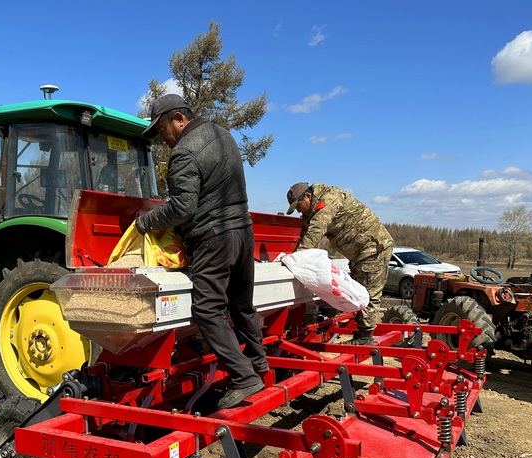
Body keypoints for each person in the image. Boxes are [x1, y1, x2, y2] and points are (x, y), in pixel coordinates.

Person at [136, 94, 268, 408]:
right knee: (241, 304)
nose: (161, 137)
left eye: (162, 129)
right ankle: (259, 364)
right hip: (243, 232)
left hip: (214, 239)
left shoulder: (184, 152)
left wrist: (146, 223)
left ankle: (244, 377)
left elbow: (183, 206)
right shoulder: (224, 135)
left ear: (178, 118)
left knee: (207, 310)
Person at [286, 182, 393, 345]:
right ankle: (362, 332)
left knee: (368, 292)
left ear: (307, 196)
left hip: (373, 249)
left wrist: (293, 260)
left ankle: (365, 337)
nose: (298, 211)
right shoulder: (311, 211)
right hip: (359, 253)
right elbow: (304, 237)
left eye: (298, 206)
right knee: (358, 291)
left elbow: (315, 232)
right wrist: (291, 258)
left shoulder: (328, 199)